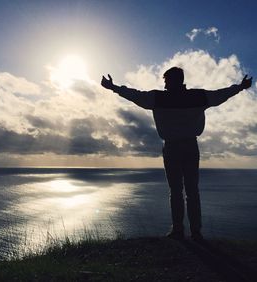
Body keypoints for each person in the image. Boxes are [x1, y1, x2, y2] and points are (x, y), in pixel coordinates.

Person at [101, 67, 252, 241]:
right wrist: (240, 87)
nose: (164, 85)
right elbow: (221, 94)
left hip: (172, 147)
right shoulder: (197, 96)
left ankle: (179, 230)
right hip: (190, 146)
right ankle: (195, 231)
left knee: (176, 190)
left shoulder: (159, 98)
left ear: (172, 81)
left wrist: (114, 88)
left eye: (166, 81)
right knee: (192, 190)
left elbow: (136, 95)